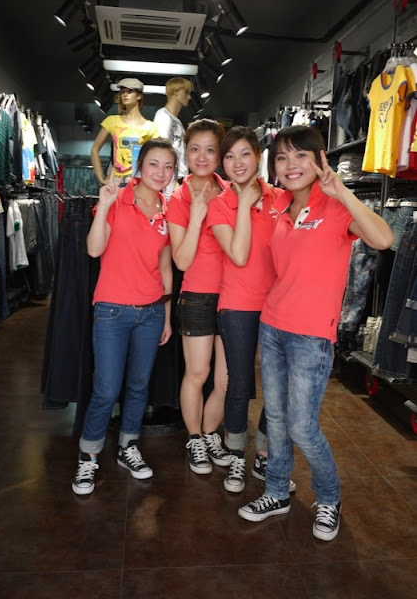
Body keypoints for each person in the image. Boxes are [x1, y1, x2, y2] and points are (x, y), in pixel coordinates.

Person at [238, 125, 393, 540]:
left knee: (302, 426)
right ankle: (276, 491)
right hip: (272, 327)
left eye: (300, 156)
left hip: (311, 336)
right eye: (283, 158)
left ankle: (328, 499)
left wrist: (342, 191)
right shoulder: (278, 209)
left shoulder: (337, 208)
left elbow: (383, 238)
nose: (291, 165)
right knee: (275, 418)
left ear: (320, 158)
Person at [72, 138, 176, 495]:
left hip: (149, 312)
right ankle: (88, 457)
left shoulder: (168, 210)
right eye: (154, 164)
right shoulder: (118, 199)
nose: (160, 173)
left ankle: (128, 447)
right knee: (106, 388)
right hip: (112, 310)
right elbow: (94, 248)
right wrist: (103, 206)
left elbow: (165, 268)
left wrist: (165, 315)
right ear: (140, 167)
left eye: (168, 167)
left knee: (139, 385)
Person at [207, 126, 296, 494]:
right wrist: (244, 203)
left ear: (259, 156)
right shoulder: (219, 203)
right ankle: (236, 459)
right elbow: (239, 255)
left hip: (281, 305)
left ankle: (262, 454)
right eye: (229, 156)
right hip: (238, 305)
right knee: (239, 384)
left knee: (281, 390)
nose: (237, 163)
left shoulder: (285, 198)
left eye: (245, 154)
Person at [167, 118, 231, 474]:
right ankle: (194, 439)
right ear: (185, 152)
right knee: (198, 373)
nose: (202, 157)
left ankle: (210, 435)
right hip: (197, 298)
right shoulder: (179, 196)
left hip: (234, 298)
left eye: (210, 149)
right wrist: (197, 214)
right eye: (195, 149)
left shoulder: (234, 190)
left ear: (219, 154)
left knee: (224, 380)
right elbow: (181, 259)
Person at [91, 78, 160, 186]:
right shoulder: (112, 121)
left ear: (138, 96)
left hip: (138, 181)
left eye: (130, 91)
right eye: (123, 92)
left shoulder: (150, 127)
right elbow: (95, 149)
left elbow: (157, 156)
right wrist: (101, 178)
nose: (125, 95)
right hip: (116, 180)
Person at [153, 77, 193, 198]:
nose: (189, 97)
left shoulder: (176, 121)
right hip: (168, 180)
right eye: (186, 92)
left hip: (175, 177)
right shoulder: (163, 116)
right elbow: (161, 150)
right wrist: (170, 180)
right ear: (175, 92)